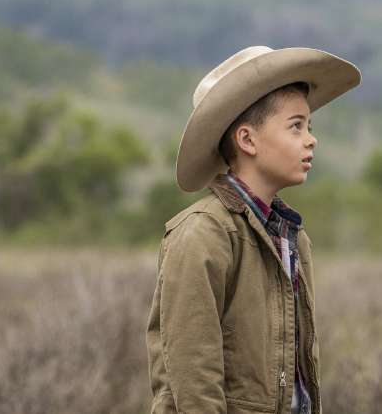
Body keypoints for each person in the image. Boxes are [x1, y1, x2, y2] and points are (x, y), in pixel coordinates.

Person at [146, 46, 361, 414]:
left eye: (309, 127)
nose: (311, 139)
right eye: (296, 126)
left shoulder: (292, 239)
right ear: (247, 141)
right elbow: (193, 375)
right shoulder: (203, 234)